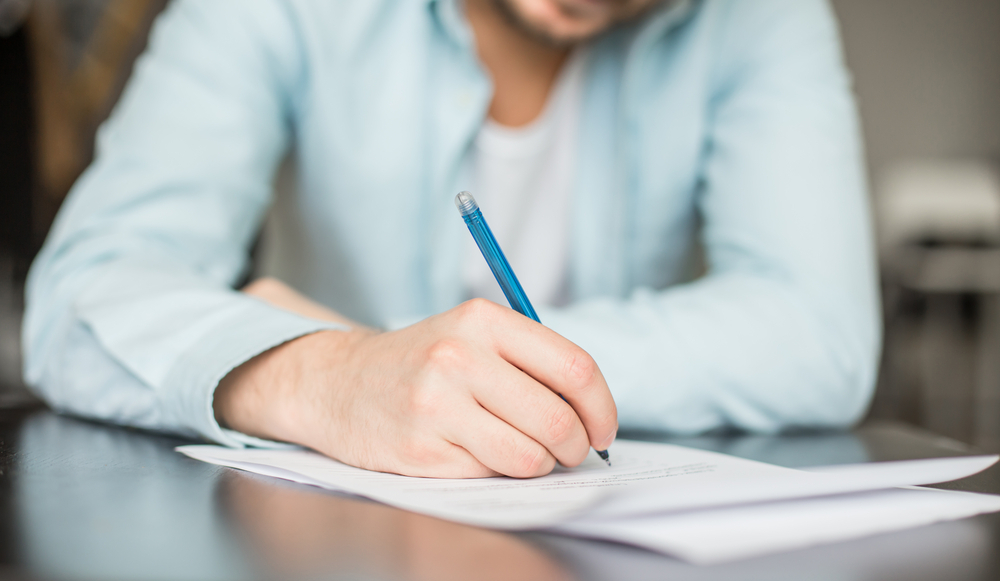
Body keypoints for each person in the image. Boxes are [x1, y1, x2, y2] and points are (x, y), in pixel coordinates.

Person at [22, 0, 880, 479]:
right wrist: (330, 374)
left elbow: (819, 334)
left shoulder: (760, 18)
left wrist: (465, 373)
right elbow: (80, 299)